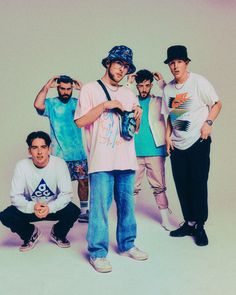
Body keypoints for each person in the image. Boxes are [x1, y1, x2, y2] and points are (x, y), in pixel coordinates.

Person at [74, 45, 148, 273]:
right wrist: (106, 105)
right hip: (102, 159)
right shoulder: (89, 89)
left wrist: (138, 117)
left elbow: (134, 131)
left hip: (126, 158)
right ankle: (97, 253)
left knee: (127, 207)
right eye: (118, 64)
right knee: (99, 209)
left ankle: (127, 245)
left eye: (126, 66)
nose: (122, 69)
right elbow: (79, 121)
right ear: (108, 63)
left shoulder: (129, 93)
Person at [162, 45, 222, 246]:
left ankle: (200, 226)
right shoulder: (168, 89)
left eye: (179, 61)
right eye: (172, 62)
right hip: (177, 145)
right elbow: (169, 117)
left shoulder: (198, 82)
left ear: (186, 63)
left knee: (198, 183)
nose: (175, 66)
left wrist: (208, 123)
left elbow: (217, 104)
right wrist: (168, 137)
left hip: (198, 141)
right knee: (181, 184)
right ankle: (189, 222)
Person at [0, 131, 80, 251]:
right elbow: (15, 197)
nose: (39, 152)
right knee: (6, 216)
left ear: (49, 149)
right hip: (32, 209)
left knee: (73, 211)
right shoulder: (22, 166)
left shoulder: (59, 164)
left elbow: (66, 194)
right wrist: (33, 206)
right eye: (34, 148)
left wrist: (50, 207)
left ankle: (58, 233)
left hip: (53, 208)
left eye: (43, 147)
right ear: (29, 151)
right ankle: (30, 233)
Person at [34, 75, 89, 223]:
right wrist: (46, 87)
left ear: (72, 89)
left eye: (68, 89)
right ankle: (57, 213)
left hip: (78, 153)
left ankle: (84, 212)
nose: (66, 92)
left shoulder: (77, 103)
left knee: (84, 182)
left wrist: (83, 89)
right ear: (57, 88)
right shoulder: (51, 104)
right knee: (57, 186)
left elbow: (91, 106)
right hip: (58, 155)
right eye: (62, 89)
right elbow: (38, 105)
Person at [128, 69, 175, 231]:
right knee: (132, 187)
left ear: (151, 85)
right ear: (136, 86)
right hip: (133, 151)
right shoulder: (131, 100)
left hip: (155, 150)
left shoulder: (158, 100)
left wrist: (163, 83)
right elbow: (118, 100)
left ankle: (165, 219)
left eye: (147, 85)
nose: (144, 89)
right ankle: (129, 221)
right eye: (140, 86)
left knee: (159, 186)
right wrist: (128, 84)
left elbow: (174, 101)